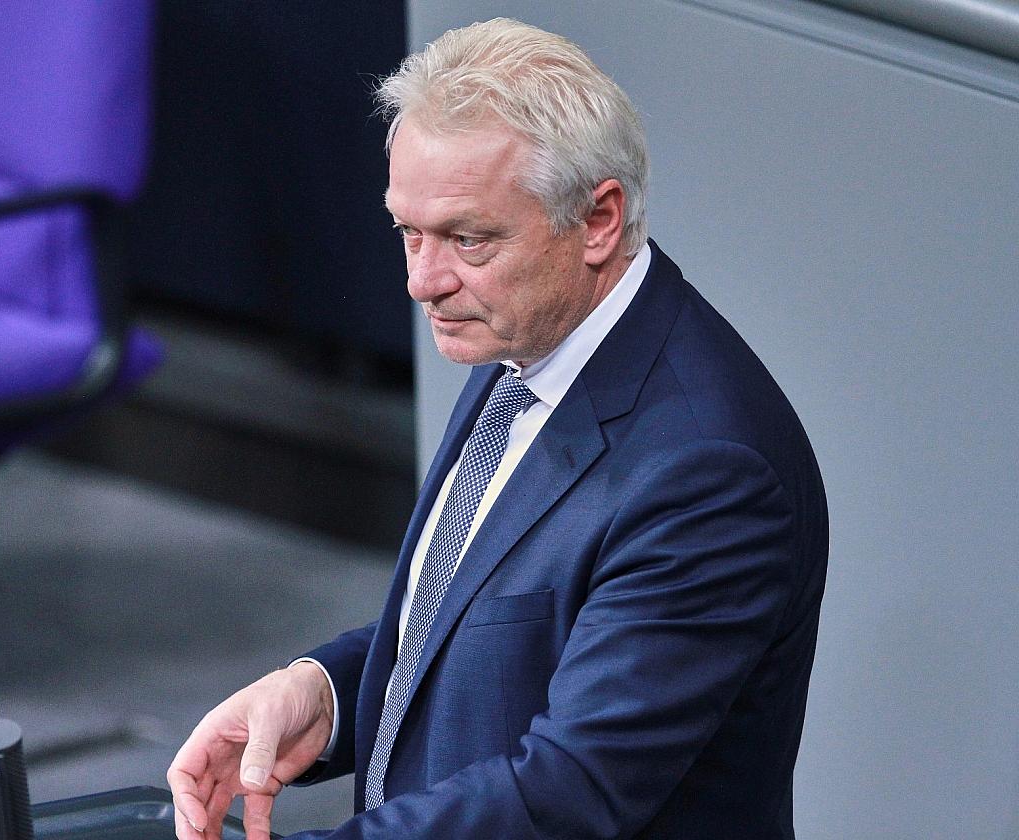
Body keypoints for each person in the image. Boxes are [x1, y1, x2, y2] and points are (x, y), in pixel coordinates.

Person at [168, 18, 827, 840]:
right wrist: (325, 694)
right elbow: (481, 620)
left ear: (598, 220)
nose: (422, 281)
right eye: (408, 232)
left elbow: (571, 793)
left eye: (467, 239)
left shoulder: (709, 473)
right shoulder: (526, 341)